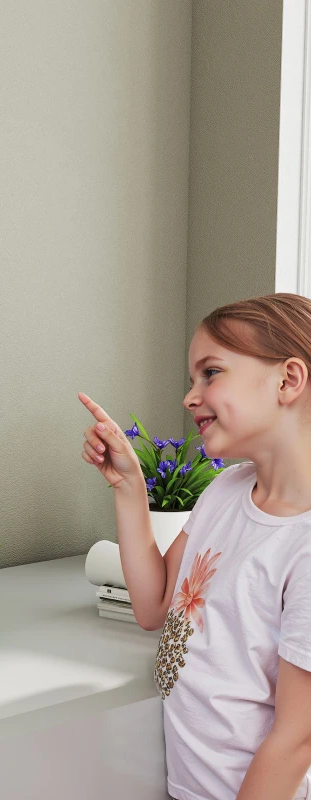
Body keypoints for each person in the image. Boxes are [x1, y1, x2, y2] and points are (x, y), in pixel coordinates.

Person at [78, 293, 311, 800]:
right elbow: (153, 605)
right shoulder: (227, 492)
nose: (190, 397)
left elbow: (296, 741)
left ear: (288, 380)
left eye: (211, 373)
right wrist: (129, 488)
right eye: (192, 380)